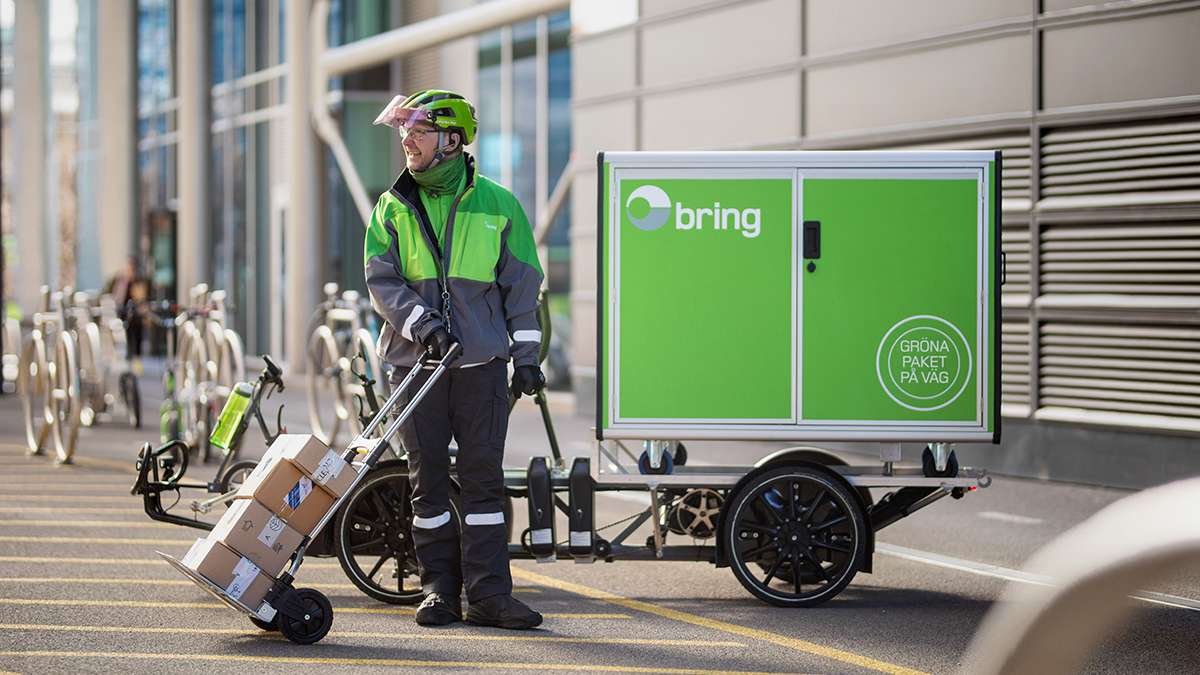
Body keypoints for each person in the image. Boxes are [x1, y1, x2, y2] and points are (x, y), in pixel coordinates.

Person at [364, 90, 545, 629]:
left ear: (452, 138)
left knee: (484, 483)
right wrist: (425, 327)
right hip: (415, 368)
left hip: (482, 369)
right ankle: (438, 590)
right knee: (429, 485)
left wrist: (528, 356)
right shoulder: (391, 205)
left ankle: (489, 596)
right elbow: (382, 280)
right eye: (404, 133)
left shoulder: (499, 204)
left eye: (418, 132)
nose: (406, 142)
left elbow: (523, 288)